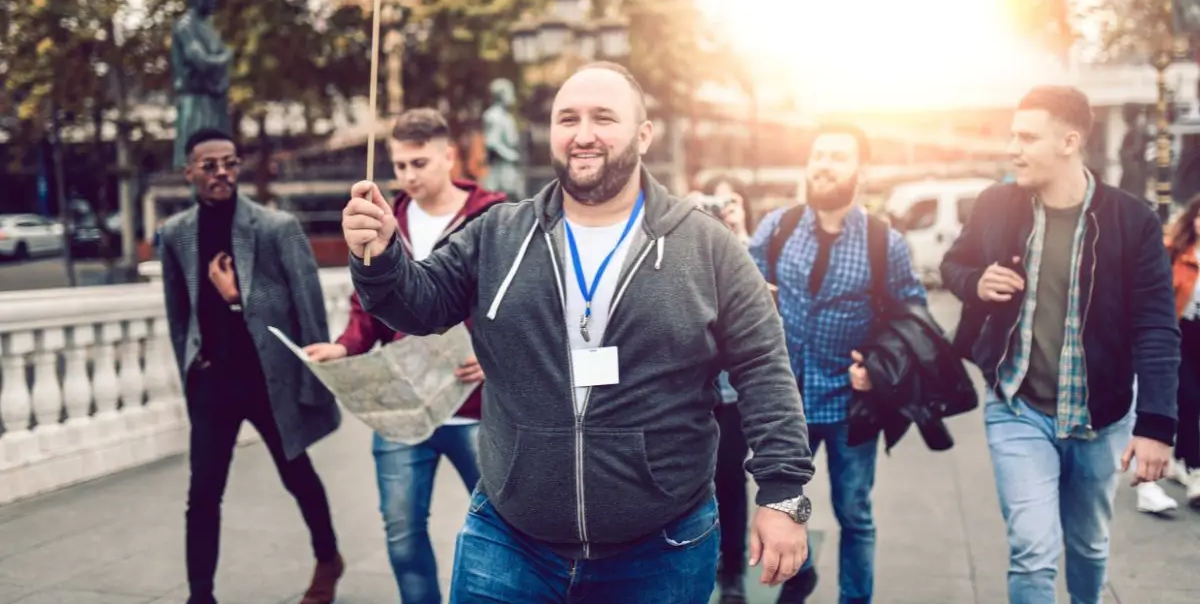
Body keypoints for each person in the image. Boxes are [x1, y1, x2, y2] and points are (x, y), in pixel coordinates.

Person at [342, 62, 814, 604]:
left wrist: (782, 494)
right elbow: (417, 305)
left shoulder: (707, 246)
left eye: (603, 118)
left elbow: (764, 367)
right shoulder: (498, 232)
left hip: (662, 546)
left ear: (643, 134)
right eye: (567, 118)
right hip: (509, 542)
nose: (583, 134)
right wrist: (378, 256)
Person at [940, 85, 1181, 604]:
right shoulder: (996, 205)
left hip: (1103, 416)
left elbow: (1157, 328)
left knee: (1089, 545)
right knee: (1032, 549)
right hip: (1017, 408)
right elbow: (954, 265)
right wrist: (974, 281)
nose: (1013, 148)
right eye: (1012, 136)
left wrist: (1157, 426)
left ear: (1070, 141)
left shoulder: (1132, 221)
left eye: (1027, 137)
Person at [305, 109, 506, 602]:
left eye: (419, 163)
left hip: (475, 407)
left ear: (449, 156)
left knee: (507, 529)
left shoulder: (495, 215)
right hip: (401, 408)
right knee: (401, 535)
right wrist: (345, 346)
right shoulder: (382, 219)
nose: (409, 176)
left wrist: (495, 353)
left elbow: (515, 301)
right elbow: (366, 308)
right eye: (399, 165)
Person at [159, 128, 343, 604]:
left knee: (296, 473)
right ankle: (201, 595)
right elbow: (179, 314)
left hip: (268, 378)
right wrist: (192, 371)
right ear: (190, 173)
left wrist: (240, 298)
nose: (222, 173)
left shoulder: (275, 227)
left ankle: (328, 558)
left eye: (230, 163)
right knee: (202, 493)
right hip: (212, 383)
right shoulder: (176, 234)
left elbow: (305, 305)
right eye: (210, 166)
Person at [747, 123, 927, 604]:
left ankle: (855, 599)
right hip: (786, 403)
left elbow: (913, 314)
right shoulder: (778, 227)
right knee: (783, 505)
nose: (823, 164)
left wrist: (877, 365)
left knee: (854, 514)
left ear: (859, 172)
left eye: (837, 156)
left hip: (852, 405)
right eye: (818, 154)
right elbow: (740, 294)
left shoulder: (882, 241)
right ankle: (799, 573)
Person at [697, 176, 755, 604]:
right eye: (714, 202)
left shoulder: (755, 250)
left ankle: (732, 570)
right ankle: (707, 563)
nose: (722, 210)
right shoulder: (692, 246)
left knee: (731, 482)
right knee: (696, 484)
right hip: (694, 394)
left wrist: (739, 237)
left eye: (729, 201)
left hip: (733, 396)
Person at [1137, 193, 1200, 513]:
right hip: (1178, 335)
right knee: (1188, 400)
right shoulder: (1175, 251)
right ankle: (1194, 470)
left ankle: (1182, 463)